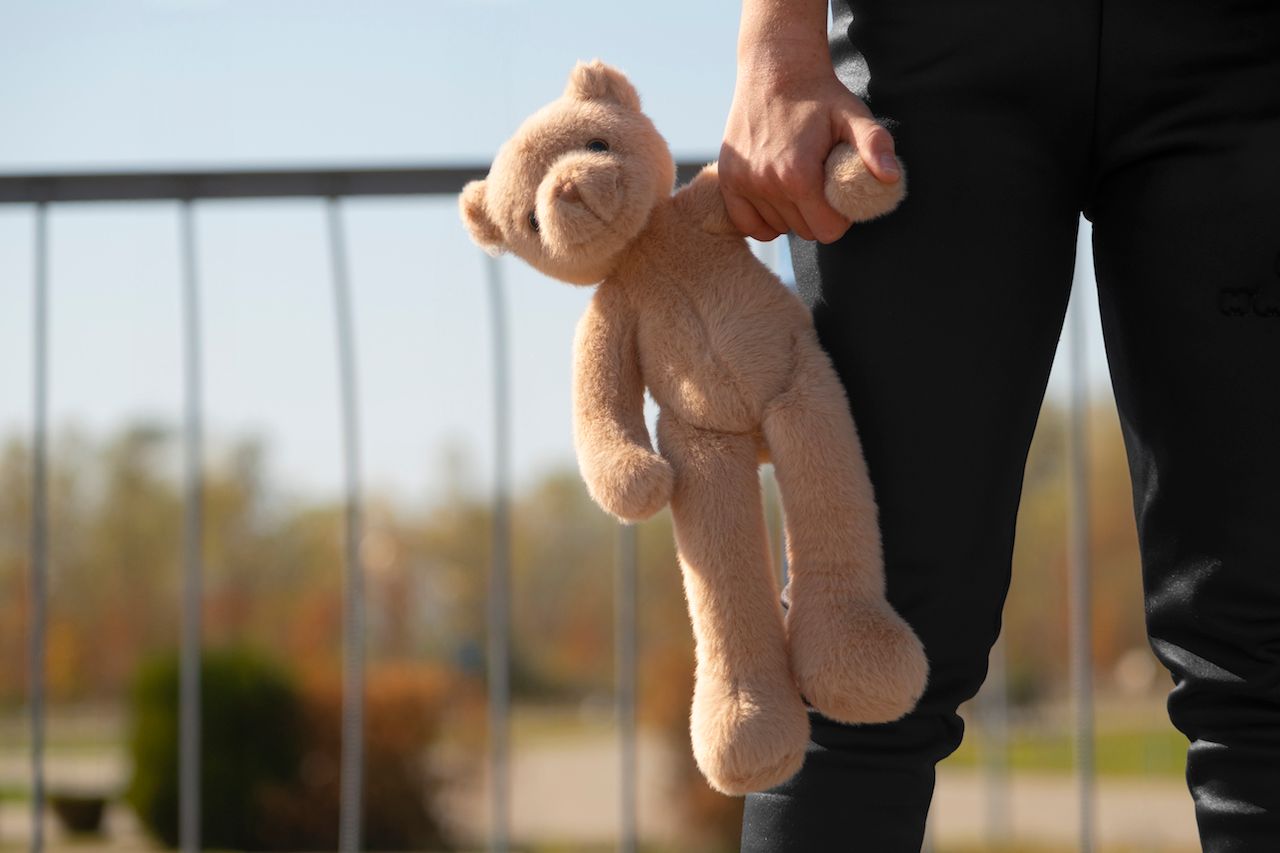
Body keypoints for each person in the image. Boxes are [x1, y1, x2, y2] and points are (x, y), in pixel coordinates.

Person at [719, 0, 1280, 850]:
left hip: (1244, 54)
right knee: (861, 646)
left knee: (1270, 649)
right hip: (934, 44)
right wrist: (776, 47)